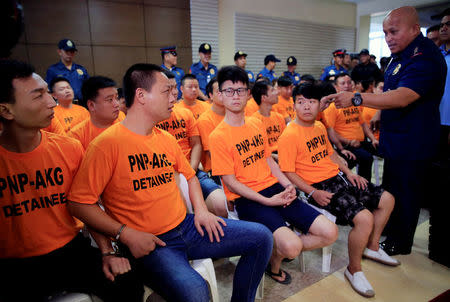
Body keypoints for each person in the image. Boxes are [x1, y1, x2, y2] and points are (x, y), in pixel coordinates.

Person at [67, 63, 273, 302]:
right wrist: (125, 234)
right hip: (151, 242)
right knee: (196, 291)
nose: (174, 96)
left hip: (186, 226)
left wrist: (201, 211)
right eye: (166, 91)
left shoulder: (164, 138)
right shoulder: (106, 145)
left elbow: (190, 176)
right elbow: (79, 203)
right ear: (141, 95)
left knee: (261, 237)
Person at [0, 60, 142, 302]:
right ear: (6, 110)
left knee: (128, 282)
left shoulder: (69, 148)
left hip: (70, 251)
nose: (51, 102)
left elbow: (87, 205)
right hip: (15, 265)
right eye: (38, 96)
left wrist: (107, 251)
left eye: (48, 92)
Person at [321, 6, 446, 255]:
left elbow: (403, 97)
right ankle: (389, 229)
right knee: (393, 189)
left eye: (393, 31)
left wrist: (357, 98)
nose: (388, 38)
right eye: (385, 32)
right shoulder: (400, 55)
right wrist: (380, 112)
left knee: (407, 193)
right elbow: (390, 91)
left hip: (414, 140)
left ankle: (400, 242)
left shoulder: (424, 57)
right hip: (396, 137)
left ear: (414, 29)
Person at [209, 65, 337, 285]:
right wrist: (267, 201)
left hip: (274, 188)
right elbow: (229, 181)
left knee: (330, 232)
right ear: (219, 94)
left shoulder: (256, 123)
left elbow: (268, 159)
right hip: (248, 199)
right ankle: (274, 262)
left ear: (249, 94)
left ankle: (273, 248)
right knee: (292, 246)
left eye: (240, 90)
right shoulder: (217, 136)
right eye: (229, 90)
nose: (235, 95)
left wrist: (288, 185)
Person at [278, 82, 399, 298]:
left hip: (339, 177)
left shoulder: (318, 127)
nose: (306, 107)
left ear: (319, 106)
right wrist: (313, 192)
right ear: (294, 105)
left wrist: (349, 172)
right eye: (301, 102)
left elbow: (330, 154)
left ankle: (372, 247)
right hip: (320, 188)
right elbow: (288, 172)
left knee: (387, 199)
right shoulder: (289, 134)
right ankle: (354, 270)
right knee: (364, 219)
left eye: (312, 102)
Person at [157, 71, 227, 218]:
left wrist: (191, 169)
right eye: (168, 89)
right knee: (180, 212)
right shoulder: (150, 120)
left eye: (175, 87)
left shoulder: (185, 114)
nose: (174, 92)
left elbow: (196, 144)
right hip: (164, 178)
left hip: (192, 170)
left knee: (222, 204)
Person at [323, 73, 378, 182]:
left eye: (349, 82)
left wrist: (373, 139)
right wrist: (349, 142)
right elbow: (331, 131)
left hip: (360, 142)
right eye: (343, 83)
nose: (347, 85)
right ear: (336, 87)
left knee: (386, 149)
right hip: (346, 144)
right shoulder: (332, 107)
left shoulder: (354, 102)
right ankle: (364, 188)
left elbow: (363, 124)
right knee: (366, 158)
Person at [197, 78, 228, 217]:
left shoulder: (234, 115)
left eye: (226, 91)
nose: (223, 94)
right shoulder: (205, 120)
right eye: (218, 91)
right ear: (210, 95)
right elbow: (213, 155)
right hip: (217, 171)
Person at [68, 76, 124, 150]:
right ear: (91, 105)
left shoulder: (122, 118)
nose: (117, 104)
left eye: (116, 98)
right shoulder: (76, 137)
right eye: (110, 100)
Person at [251, 80, 286, 158]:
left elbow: (286, 141)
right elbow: (258, 150)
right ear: (264, 97)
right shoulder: (254, 121)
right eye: (273, 90)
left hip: (283, 153)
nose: (277, 92)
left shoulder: (279, 117)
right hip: (269, 158)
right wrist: (274, 156)